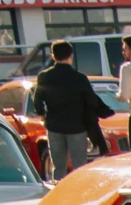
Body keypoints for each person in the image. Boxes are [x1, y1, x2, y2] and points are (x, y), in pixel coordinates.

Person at [32, 40, 109, 180]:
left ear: (53, 56)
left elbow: (37, 100)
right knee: (79, 165)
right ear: (71, 56)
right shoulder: (79, 78)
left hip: (54, 126)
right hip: (76, 126)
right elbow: (91, 101)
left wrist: (43, 116)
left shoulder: (44, 77)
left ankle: (59, 192)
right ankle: (79, 193)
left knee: (58, 166)